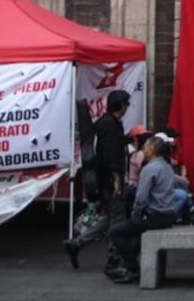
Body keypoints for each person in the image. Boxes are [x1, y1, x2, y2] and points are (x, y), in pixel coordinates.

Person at [64, 89, 130, 270]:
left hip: (104, 180)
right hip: (109, 181)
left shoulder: (106, 123)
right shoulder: (110, 125)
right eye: (127, 104)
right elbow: (110, 156)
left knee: (110, 218)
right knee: (118, 218)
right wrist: (116, 179)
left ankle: (77, 242)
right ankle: (113, 258)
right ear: (122, 105)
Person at [105, 136, 179, 284]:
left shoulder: (149, 168)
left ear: (152, 150)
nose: (143, 149)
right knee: (137, 233)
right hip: (169, 215)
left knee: (116, 231)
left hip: (155, 216)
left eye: (145, 146)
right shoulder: (167, 167)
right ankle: (129, 266)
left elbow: (141, 197)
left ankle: (133, 269)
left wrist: (135, 214)